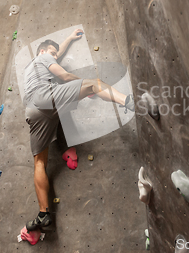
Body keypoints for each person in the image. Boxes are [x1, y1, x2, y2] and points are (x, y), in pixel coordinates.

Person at [23, 28, 134, 231]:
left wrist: (67, 40)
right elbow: (64, 75)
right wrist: (82, 86)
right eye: (52, 53)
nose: (55, 56)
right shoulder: (43, 58)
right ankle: (128, 101)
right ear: (41, 51)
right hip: (46, 98)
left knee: (40, 162)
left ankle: (43, 213)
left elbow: (57, 53)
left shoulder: (31, 68)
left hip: (32, 112)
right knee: (94, 84)